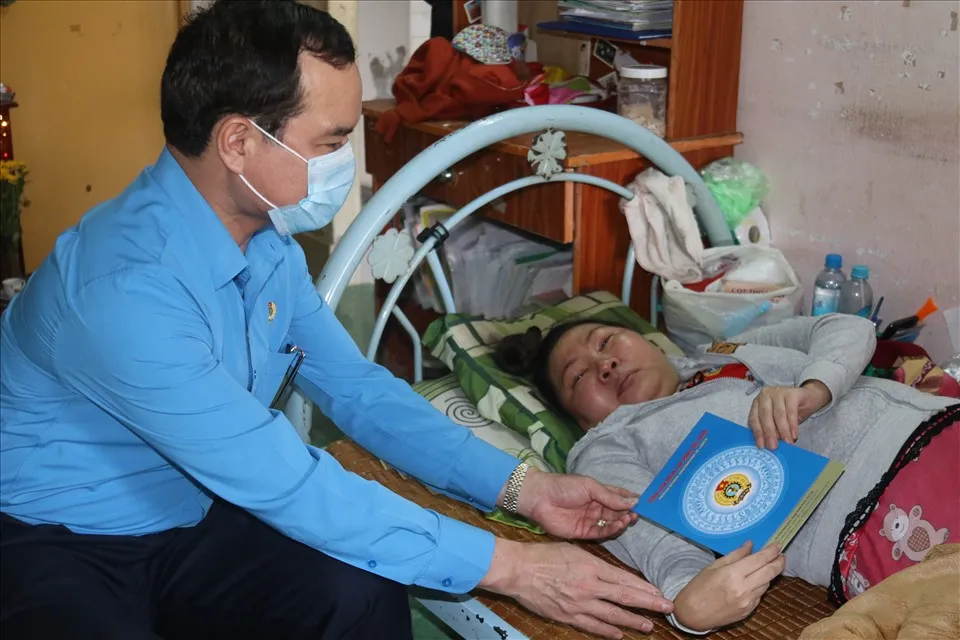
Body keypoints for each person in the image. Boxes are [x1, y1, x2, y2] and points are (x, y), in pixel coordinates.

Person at [0, 3, 674, 639]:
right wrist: (514, 567)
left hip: (192, 512)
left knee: (360, 587)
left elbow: (358, 390)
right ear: (238, 141)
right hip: (58, 536)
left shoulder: (265, 247)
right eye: (330, 141)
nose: (342, 164)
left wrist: (524, 488)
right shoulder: (123, 291)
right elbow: (280, 478)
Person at [494, 313, 959, 634]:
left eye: (606, 341)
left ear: (647, 339)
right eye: (578, 377)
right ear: (580, 420)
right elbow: (654, 539)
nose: (605, 364)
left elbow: (845, 327)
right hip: (883, 519)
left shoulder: (721, 349)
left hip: (937, 427)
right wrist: (688, 607)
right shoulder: (607, 446)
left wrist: (815, 386)